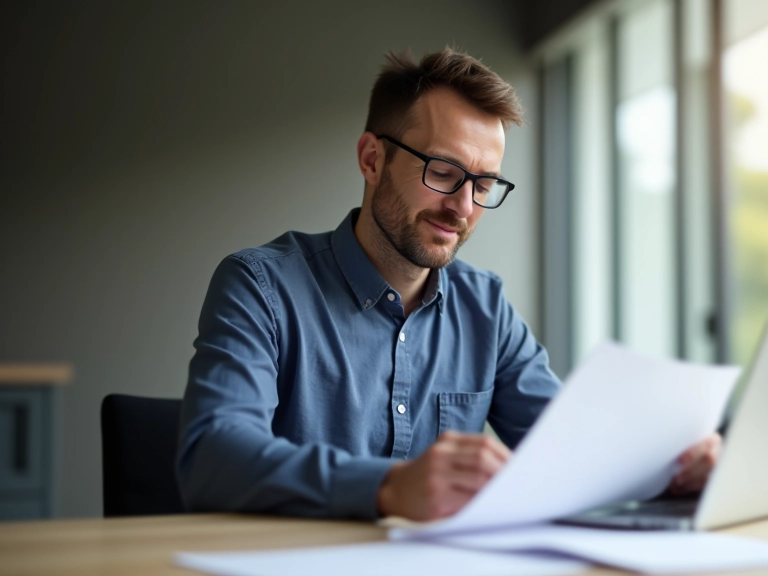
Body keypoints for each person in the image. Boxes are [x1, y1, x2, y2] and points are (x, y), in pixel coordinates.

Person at [176, 47, 720, 522]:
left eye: (484, 183)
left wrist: (669, 470)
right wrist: (387, 487)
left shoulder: (486, 308)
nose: (462, 207)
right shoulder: (261, 286)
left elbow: (568, 451)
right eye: (442, 170)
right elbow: (211, 458)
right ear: (372, 159)